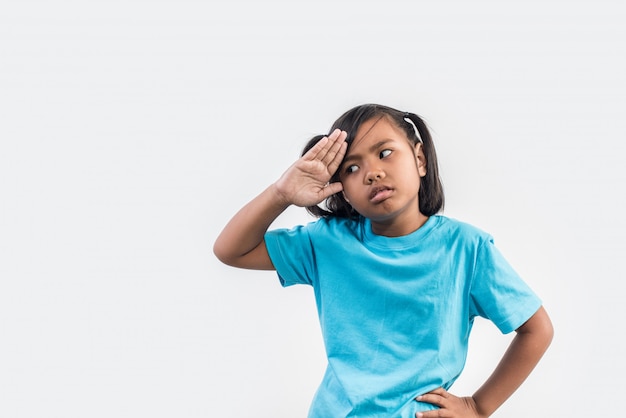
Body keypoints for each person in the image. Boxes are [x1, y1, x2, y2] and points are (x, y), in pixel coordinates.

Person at [213, 103, 553, 417]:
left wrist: (478, 407)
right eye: (352, 167)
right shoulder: (327, 242)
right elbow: (231, 250)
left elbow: (536, 329)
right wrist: (281, 194)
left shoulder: (467, 248)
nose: (372, 173)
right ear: (341, 188)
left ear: (420, 159)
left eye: (385, 153)